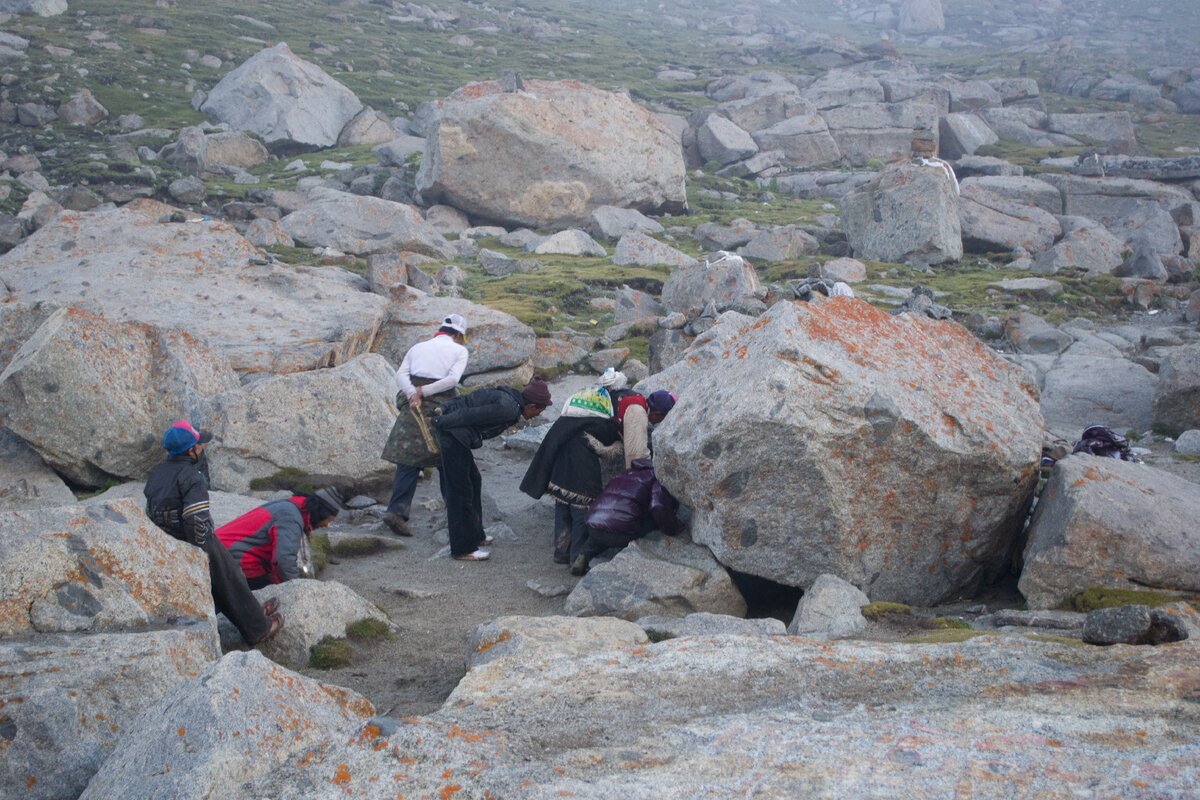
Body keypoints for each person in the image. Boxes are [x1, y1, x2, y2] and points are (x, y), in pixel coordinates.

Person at [144, 420, 283, 644]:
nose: (202, 448)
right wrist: (202, 551)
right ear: (190, 451)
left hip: (167, 541)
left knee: (224, 581)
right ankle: (258, 629)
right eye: (198, 444)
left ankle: (254, 614)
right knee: (229, 577)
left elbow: (150, 512)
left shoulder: (157, 473)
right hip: (194, 540)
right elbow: (195, 518)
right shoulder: (191, 477)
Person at [432, 376, 552, 561]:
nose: (538, 415)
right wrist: (439, 421)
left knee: (474, 481)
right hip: (452, 438)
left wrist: (445, 407)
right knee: (460, 492)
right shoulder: (508, 409)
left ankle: (476, 535)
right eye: (540, 410)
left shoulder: (507, 397)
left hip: (457, 438)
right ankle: (462, 548)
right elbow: (467, 416)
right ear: (533, 406)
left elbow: (467, 400)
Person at [380, 314, 470, 537]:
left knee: (408, 461)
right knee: (447, 462)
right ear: (458, 335)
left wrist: (413, 393)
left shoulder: (418, 347)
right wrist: (425, 392)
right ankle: (455, 515)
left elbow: (401, 374)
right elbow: (452, 380)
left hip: (413, 407)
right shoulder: (459, 351)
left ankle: (396, 511)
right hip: (442, 407)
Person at [520, 383, 621, 566]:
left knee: (563, 509)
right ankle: (577, 558)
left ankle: (561, 552)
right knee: (581, 512)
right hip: (583, 475)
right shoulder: (601, 424)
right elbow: (609, 447)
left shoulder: (565, 422)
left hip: (559, 474)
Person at [570, 457, 686, 576]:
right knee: (651, 523)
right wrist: (673, 528)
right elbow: (658, 507)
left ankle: (583, 556)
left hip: (593, 524)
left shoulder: (626, 472)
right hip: (620, 532)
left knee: (602, 530)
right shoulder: (657, 479)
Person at [216, 487, 345, 589]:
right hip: (234, 561)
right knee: (271, 597)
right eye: (328, 520)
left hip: (221, 552)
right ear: (321, 512)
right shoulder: (291, 517)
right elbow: (283, 560)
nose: (326, 525)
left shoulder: (289, 506)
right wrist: (297, 590)